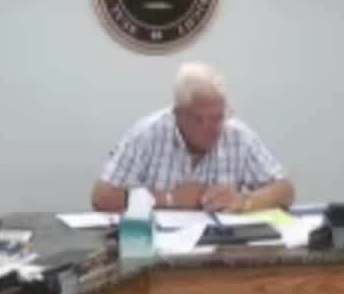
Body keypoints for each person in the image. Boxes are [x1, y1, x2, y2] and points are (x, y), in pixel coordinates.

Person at [90, 62, 295, 214]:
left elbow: (285, 191)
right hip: (156, 250)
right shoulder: (146, 134)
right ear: (178, 114)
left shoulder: (238, 135)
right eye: (202, 120)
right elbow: (102, 198)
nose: (213, 128)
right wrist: (169, 198)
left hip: (222, 249)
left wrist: (243, 201)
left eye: (218, 117)